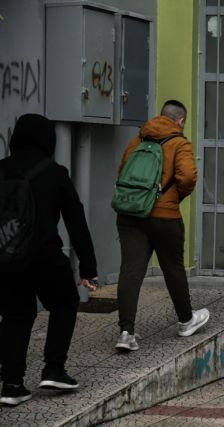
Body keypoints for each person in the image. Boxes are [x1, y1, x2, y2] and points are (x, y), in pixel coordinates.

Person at [0, 114, 98, 406]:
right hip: (44, 256)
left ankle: (12, 385)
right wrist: (88, 268)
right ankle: (54, 369)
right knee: (65, 302)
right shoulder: (54, 173)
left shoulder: (1, 169)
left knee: (16, 315)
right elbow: (76, 222)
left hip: (8, 257)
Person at [114, 100, 209, 351]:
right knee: (173, 268)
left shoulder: (138, 140)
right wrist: (173, 198)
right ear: (180, 121)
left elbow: (122, 171)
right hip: (164, 216)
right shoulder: (180, 143)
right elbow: (187, 177)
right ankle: (186, 320)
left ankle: (126, 332)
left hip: (130, 214)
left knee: (130, 270)